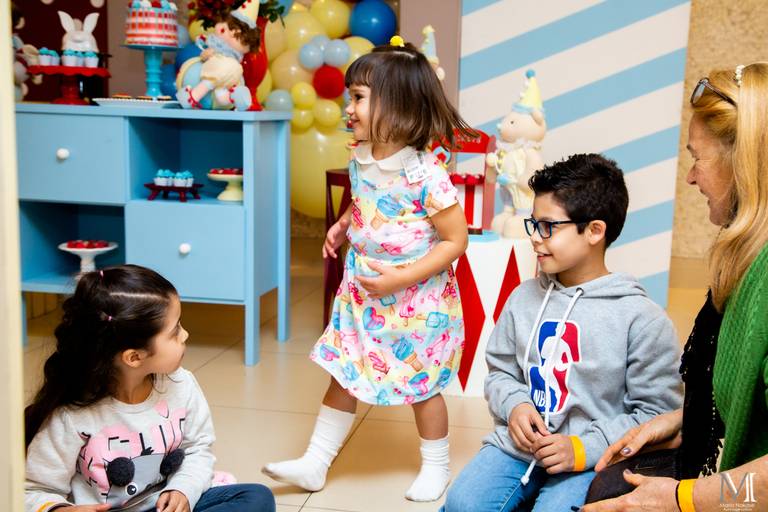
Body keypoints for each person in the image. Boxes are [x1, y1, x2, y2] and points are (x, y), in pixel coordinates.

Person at [261, 37, 473, 502]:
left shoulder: (426, 174)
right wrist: (341, 226)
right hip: (363, 294)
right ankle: (316, 462)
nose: (348, 108)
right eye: (349, 97)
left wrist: (402, 278)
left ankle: (436, 466)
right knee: (345, 372)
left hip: (416, 301)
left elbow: (456, 240)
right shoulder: (361, 157)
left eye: (357, 98)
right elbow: (364, 203)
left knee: (423, 386)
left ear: (396, 106)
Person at [442, 154, 683, 511]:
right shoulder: (524, 298)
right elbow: (501, 374)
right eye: (533, 224)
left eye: (548, 227)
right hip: (517, 448)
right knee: (463, 504)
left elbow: (656, 414)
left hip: (589, 459)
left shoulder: (642, 319)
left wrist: (581, 448)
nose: (536, 239)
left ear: (594, 231)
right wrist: (516, 406)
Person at [584, 62, 768, 511]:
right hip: (716, 465)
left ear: (741, 161)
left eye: (697, 158)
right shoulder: (744, 254)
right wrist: (681, 422)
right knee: (606, 483)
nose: (690, 177)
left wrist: (684, 499)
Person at [24, 265, 275, 512]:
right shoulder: (71, 416)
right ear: (134, 357)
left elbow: (198, 450)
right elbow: (32, 491)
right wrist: (59, 509)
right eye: (175, 330)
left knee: (256, 496)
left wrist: (182, 489)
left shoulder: (181, 384)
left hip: (162, 504)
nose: (185, 334)